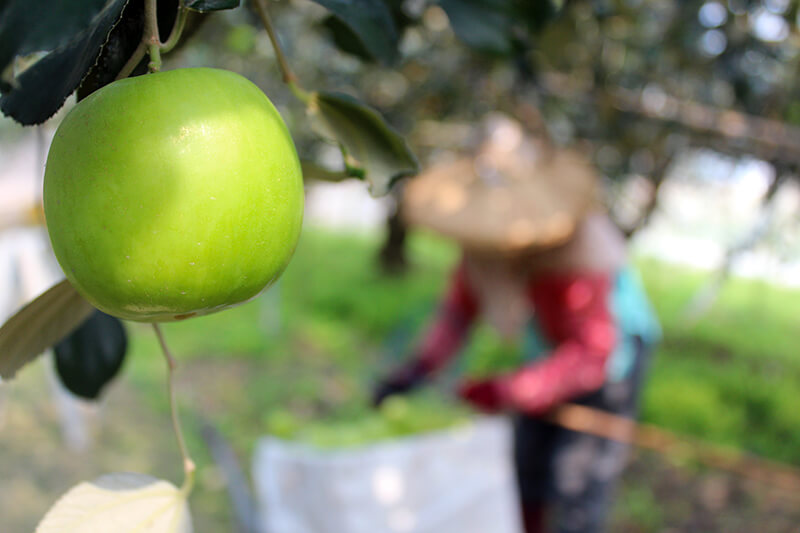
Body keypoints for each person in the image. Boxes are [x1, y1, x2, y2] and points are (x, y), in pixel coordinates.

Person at [372, 117, 661, 533]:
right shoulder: (487, 245)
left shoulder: (577, 256)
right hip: (548, 351)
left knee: (577, 480)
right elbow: (458, 313)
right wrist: (414, 371)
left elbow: (594, 353)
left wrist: (513, 390)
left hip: (611, 362)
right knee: (525, 470)